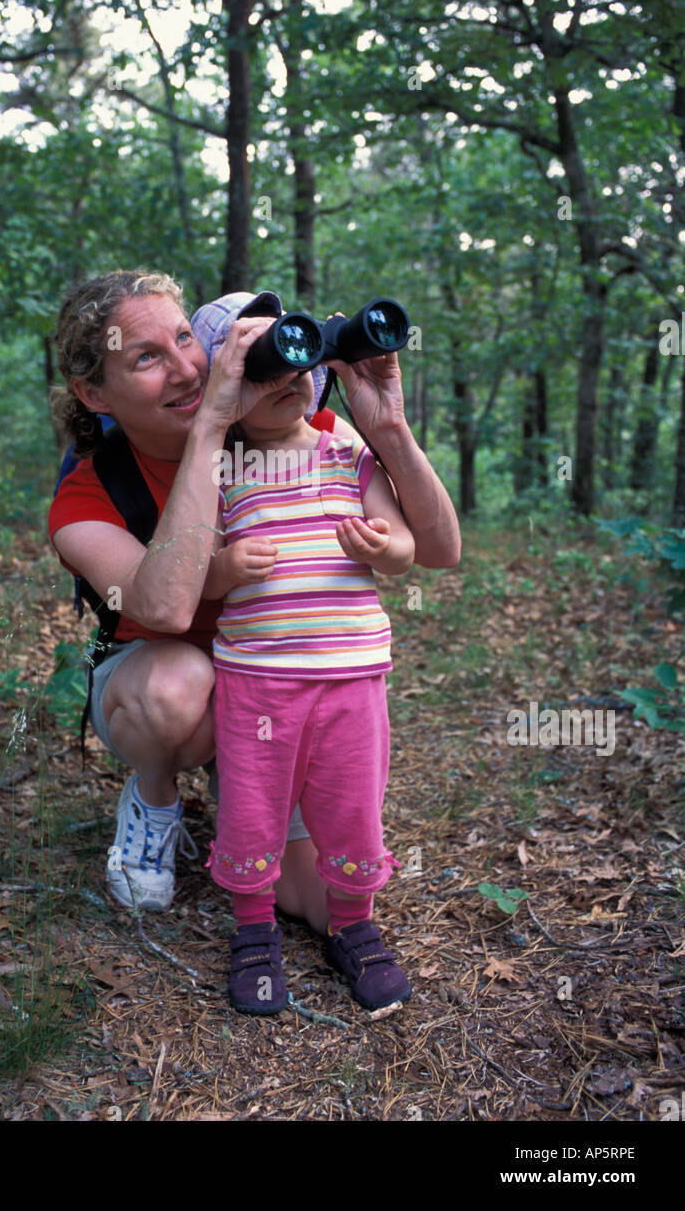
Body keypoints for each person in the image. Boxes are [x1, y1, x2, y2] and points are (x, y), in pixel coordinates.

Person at [48, 269, 461, 933]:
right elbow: (167, 610)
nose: (186, 370)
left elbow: (439, 551)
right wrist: (210, 427)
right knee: (181, 681)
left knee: (324, 908)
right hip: (162, 684)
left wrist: (388, 428)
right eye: (146, 358)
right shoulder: (87, 496)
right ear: (93, 391)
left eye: (186, 339)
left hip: (279, 691)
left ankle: (244, 785)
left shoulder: (289, 430)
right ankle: (154, 798)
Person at [192, 298, 416, 1014]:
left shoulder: (347, 449)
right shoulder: (224, 468)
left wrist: (388, 547)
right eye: (261, 372)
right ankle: (254, 930)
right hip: (259, 681)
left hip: (352, 676)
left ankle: (355, 923)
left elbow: (406, 547)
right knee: (252, 811)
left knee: (353, 808)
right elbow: (196, 577)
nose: (287, 379)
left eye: (297, 366)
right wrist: (228, 569)